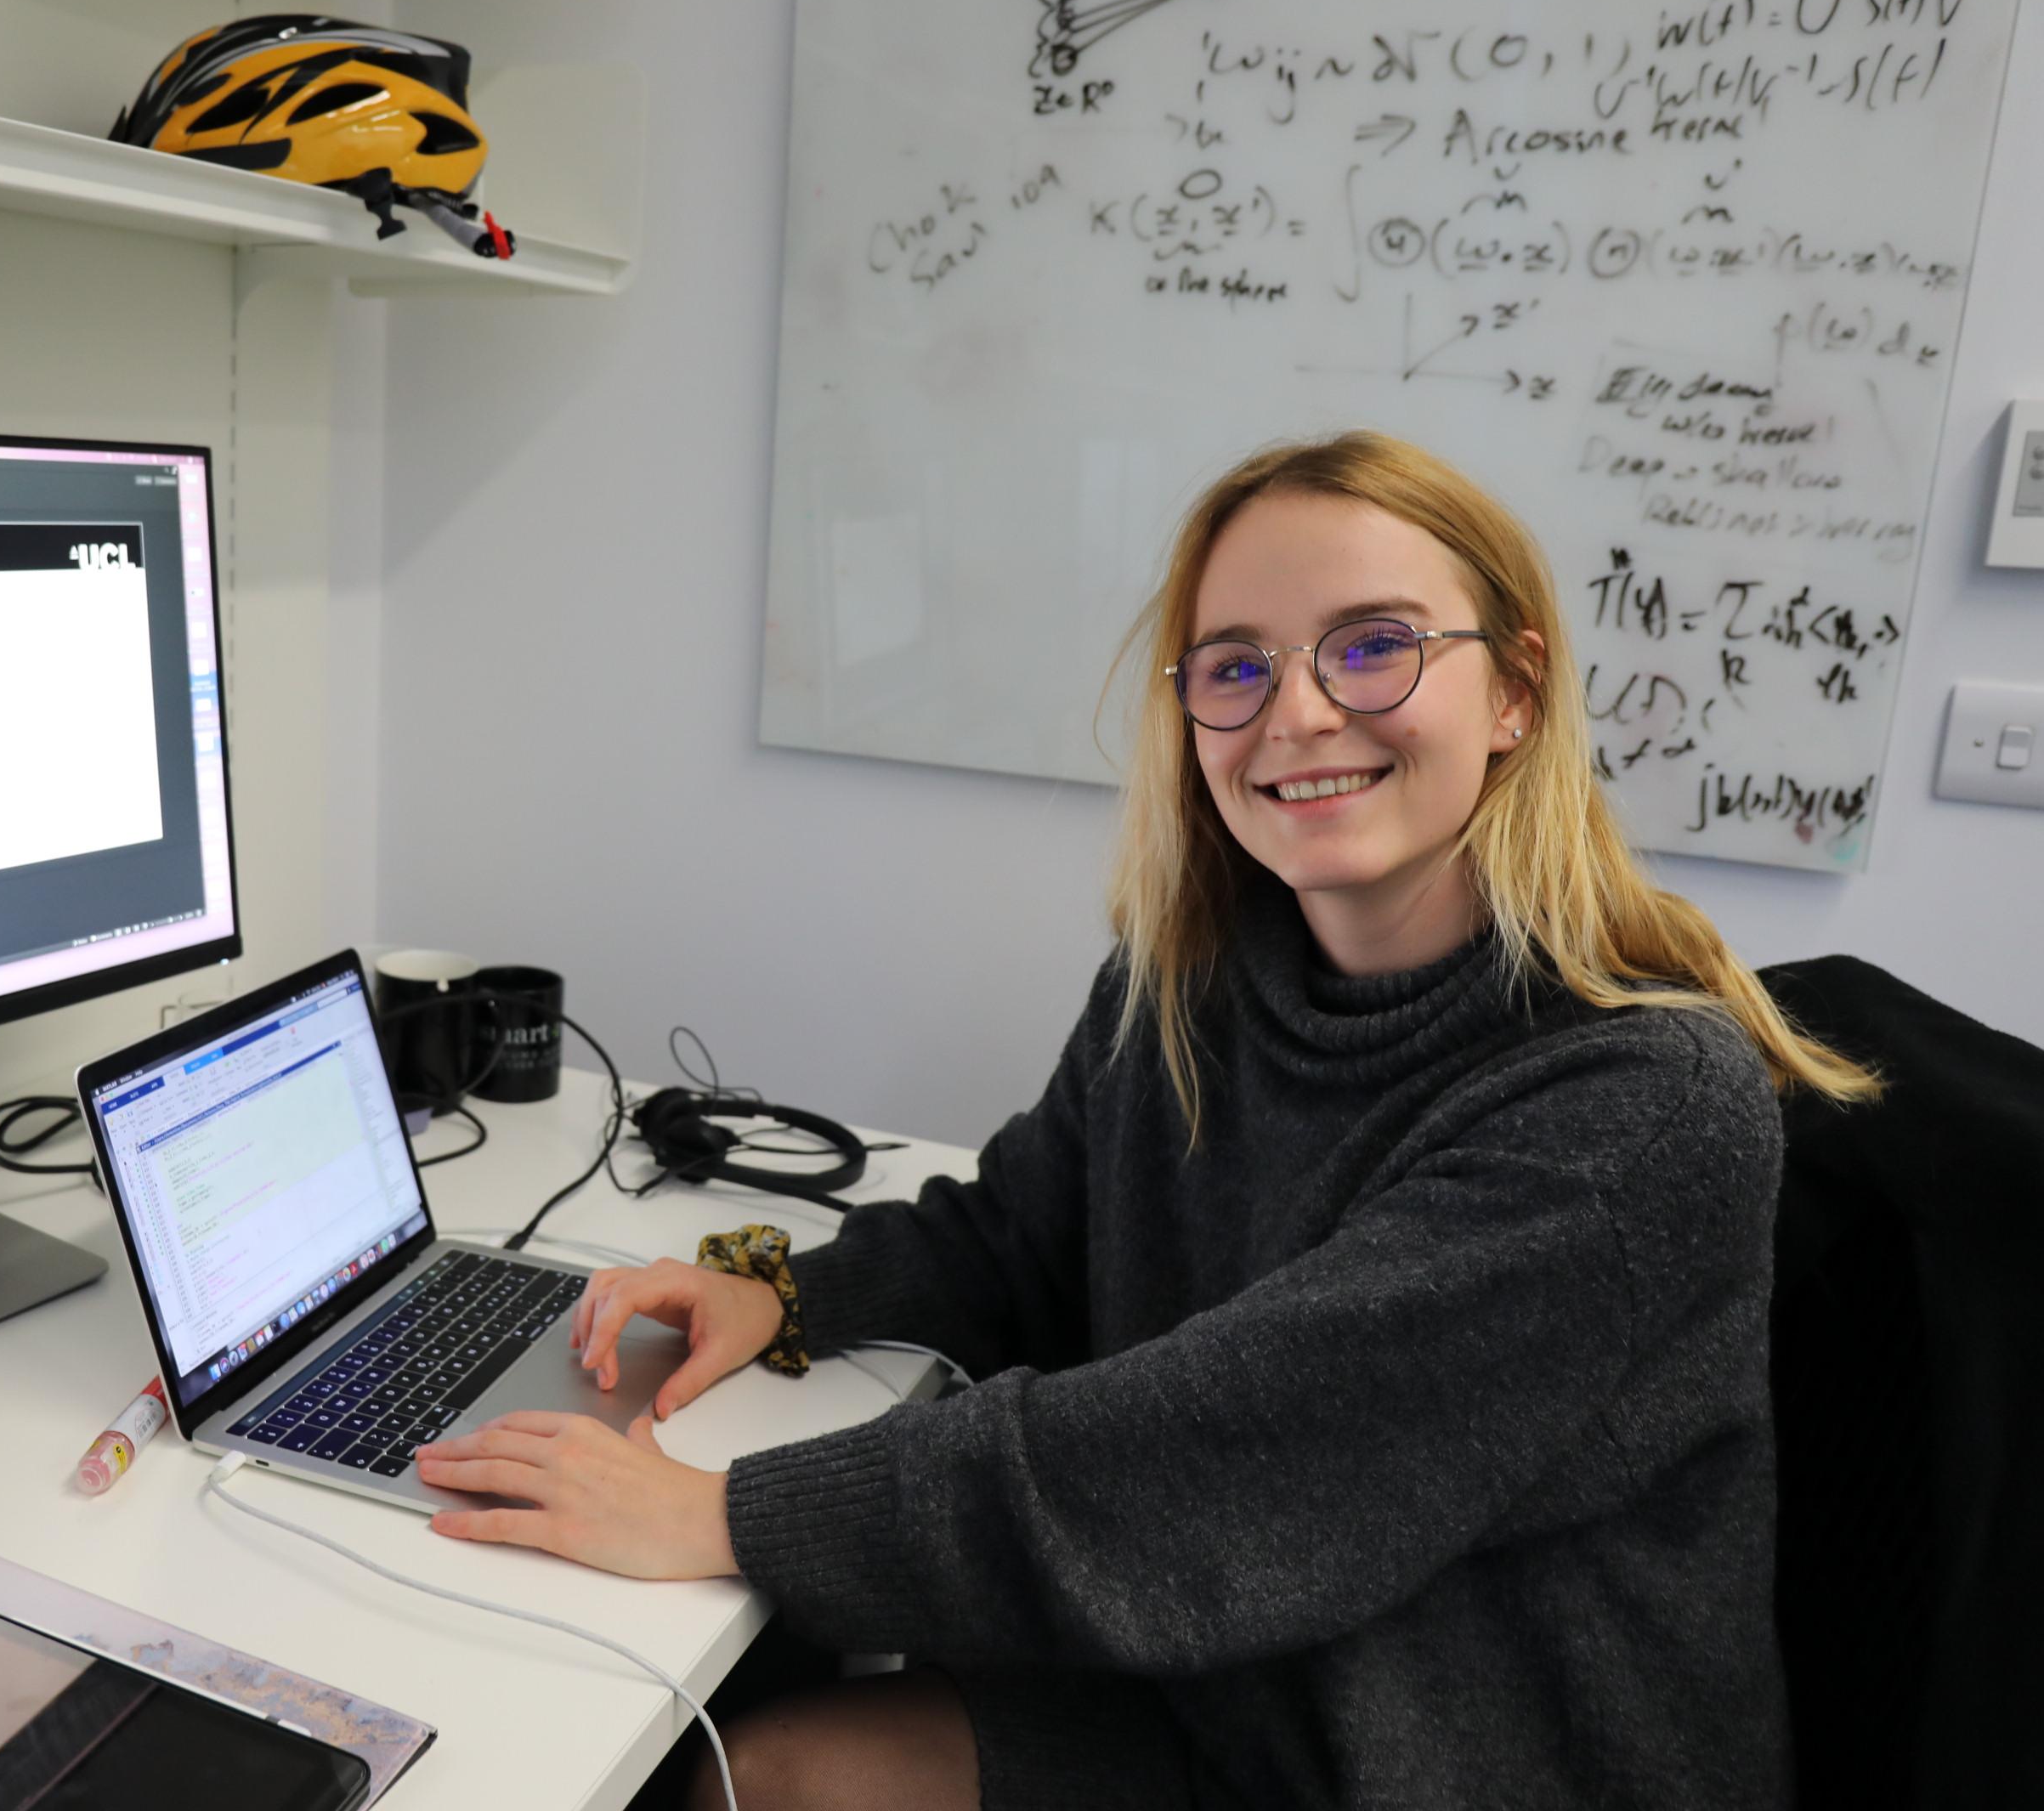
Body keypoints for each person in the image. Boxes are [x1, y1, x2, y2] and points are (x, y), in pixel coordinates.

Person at [410, 432, 1876, 1810]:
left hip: (1452, 1747)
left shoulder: (1639, 1109)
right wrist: (781, 1296)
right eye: (1236, 667)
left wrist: (726, 1519)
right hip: (1227, 1678)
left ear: (1514, 693)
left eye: (1373, 646)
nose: (1298, 713)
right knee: (748, 1769)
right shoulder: (1189, 983)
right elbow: (1022, 1234)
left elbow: (1230, 1449)